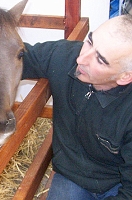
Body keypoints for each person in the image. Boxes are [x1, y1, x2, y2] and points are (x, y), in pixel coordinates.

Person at [22, 14, 132, 199]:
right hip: (72, 177)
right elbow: (15, 58)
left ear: (124, 77)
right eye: (90, 41)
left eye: (100, 60)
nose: (82, 59)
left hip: (117, 181)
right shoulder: (64, 57)